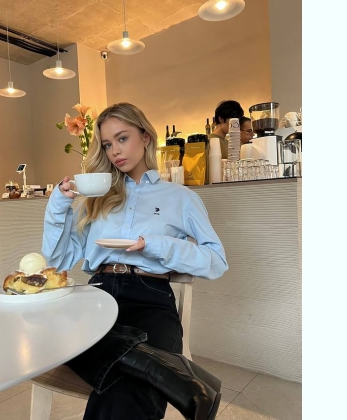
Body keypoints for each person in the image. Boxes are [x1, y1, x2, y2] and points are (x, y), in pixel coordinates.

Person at [42, 102, 228, 420]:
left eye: (122, 138)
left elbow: (215, 260)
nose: (115, 150)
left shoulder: (180, 197)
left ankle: (153, 367)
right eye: (107, 144)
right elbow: (57, 261)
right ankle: (166, 371)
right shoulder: (96, 199)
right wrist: (58, 204)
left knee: (127, 390)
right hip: (97, 293)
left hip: (151, 297)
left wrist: (155, 245)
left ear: (145, 137)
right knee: (47, 335)